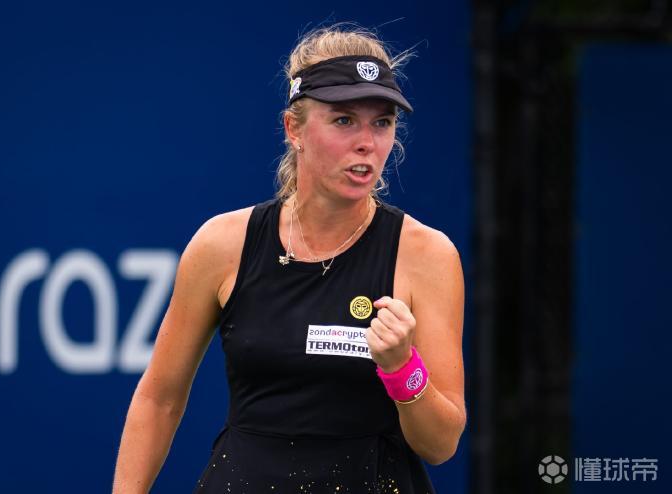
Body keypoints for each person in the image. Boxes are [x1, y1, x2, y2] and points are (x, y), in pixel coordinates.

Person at [112, 25, 465, 494]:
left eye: (382, 123)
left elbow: (441, 445)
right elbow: (159, 399)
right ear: (293, 128)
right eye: (344, 120)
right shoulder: (222, 244)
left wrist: (402, 368)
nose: (367, 142)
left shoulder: (428, 255)